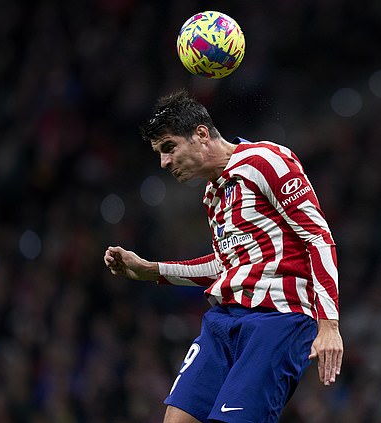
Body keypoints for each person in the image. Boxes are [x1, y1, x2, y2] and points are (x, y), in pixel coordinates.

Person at [104, 90, 343, 423]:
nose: (164, 163)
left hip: (277, 319)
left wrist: (328, 323)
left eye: (169, 148)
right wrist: (151, 270)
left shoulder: (265, 159)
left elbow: (317, 235)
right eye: (159, 154)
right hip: (223, 321)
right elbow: (223, 264)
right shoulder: (213, 193)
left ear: (201, 134)